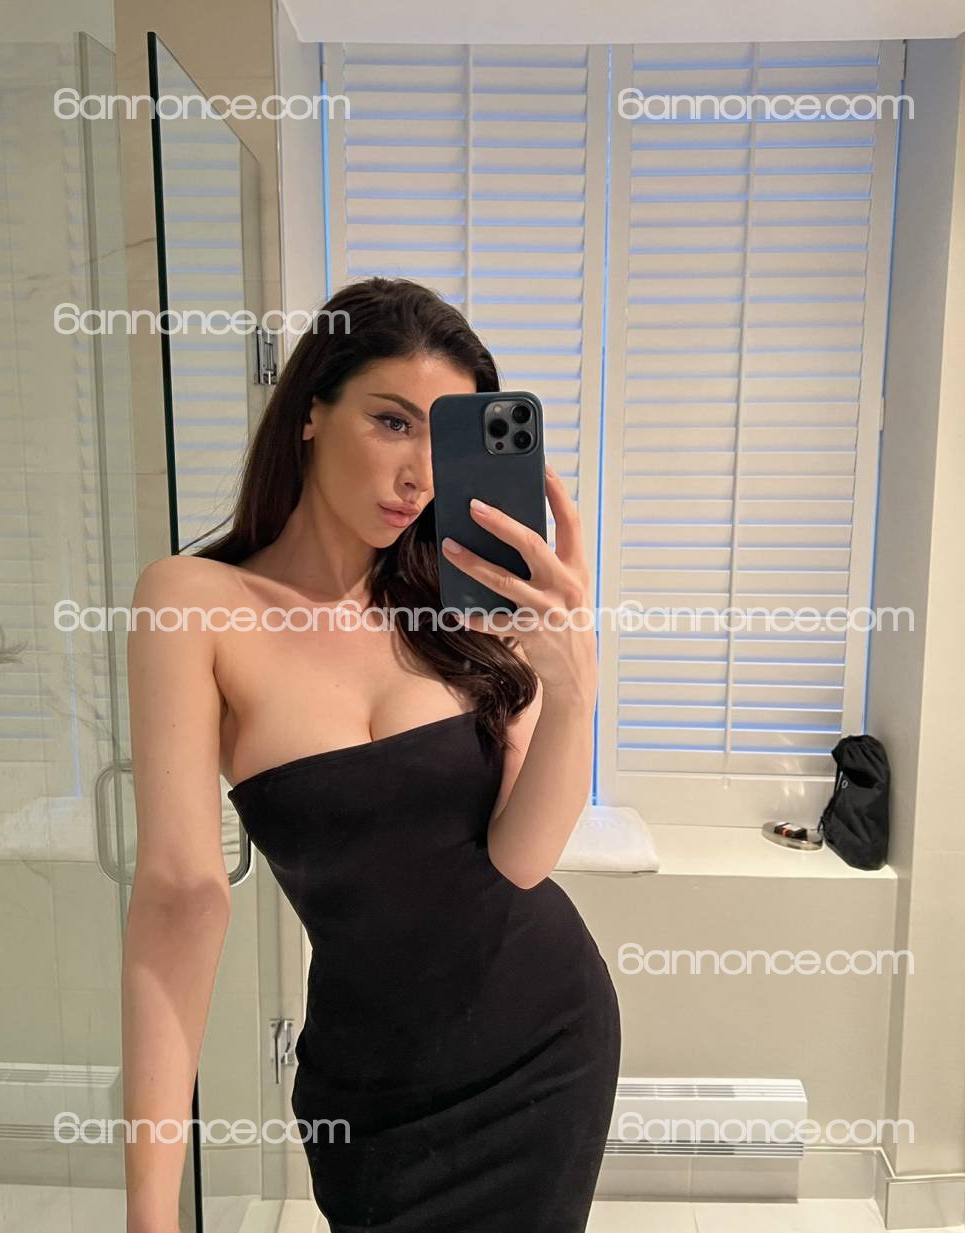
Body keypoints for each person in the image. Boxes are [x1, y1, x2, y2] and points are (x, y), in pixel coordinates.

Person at [122, 276, 621, 1232]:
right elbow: (181, 892)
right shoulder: (191, 601)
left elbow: (522, 859)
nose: (419, 475)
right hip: (373, 1094)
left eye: (444, 440)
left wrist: (573, 689)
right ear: (311, 411)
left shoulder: (470, 609)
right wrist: (152, 1209)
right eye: (392, 422)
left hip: (545, 1046)